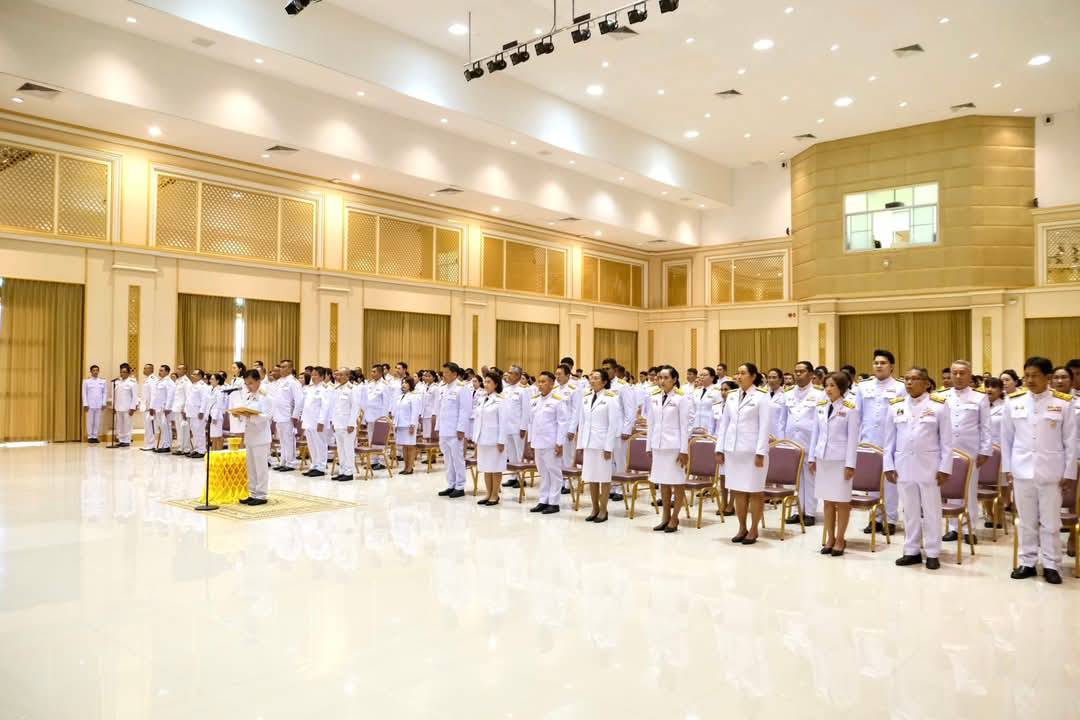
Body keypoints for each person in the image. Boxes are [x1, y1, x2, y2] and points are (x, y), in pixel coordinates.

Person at [1002, 356, 1076, 585]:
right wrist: (1007, 468)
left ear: (1048, 377)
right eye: (1027, 375)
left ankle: (1052, 564)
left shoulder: (1063, 403)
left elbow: (1071, 441)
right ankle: (1028, 562)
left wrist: (1069, 473)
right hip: (1021, 470)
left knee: (1051, 522)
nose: (1030, 380)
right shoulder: (1013, 401)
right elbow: (1006, 439)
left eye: (1035, 375)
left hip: (1051, 471)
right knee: (1026, 520)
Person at [884, 367, 953, 571]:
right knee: (909, 510)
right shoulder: (896, 406)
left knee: (931, 511)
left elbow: (946, 441)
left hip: (929, 466)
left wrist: (945, 467)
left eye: (914, 379)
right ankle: (911, 550)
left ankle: (932, 552)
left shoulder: (939, 405)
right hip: (903, 465)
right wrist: (888, 465)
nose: (909, 382)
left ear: (926, 383)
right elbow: (889, 440)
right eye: (906, 379)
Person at [716, 363, 772, 545]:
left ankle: (754, 529)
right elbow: (724, 424)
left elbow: (765, 426)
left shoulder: (762, 396)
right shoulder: (732, 395)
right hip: (733, 451)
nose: (738, 377)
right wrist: (719, 448)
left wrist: (760, 452)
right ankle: (742, 527)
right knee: (738, 490)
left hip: (753, 452)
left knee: (755, 491)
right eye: (737, 373)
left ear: (753, 376)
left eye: (743, 373)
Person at [808, 372, 861, 556]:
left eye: (832, 385)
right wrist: (812, 457)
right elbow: (815, 434)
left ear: (842, 388)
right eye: (826, 386)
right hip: (823, 459)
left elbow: (853, 439)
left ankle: (840, 539)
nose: (828, 389)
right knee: (828, 501)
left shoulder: (850, 408)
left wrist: (850, 465)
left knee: (843, 502)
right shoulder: (821, 406)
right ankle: (830, 538)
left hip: (840, 461)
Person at [938, 360, 991, 544]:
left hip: (970, 452)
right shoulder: (941, 397)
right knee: (950, 489)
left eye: (962, 373)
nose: (958, 377)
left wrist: (985, 450)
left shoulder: (979, 398)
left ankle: (970, 529)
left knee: (969, 490)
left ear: (969, 375)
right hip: (946, 451)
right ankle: (954, 528)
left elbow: (985, 426)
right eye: (955, 373)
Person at [855, 349, 906, 535]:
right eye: (876, 363)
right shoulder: (863, 387)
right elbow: (857, 416)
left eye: (883, 363)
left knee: (890, 482)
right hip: (868, 440)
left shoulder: (900, 387)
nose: (878, 366)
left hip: (891, 442)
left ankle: (890, 520)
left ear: (891, 367)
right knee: (872, 483)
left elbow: (903, 416)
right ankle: (875, 519)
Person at [779, 360, 827, 526]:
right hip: (792, 442)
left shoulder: (820, 394)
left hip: (810, 442)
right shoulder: (787, 394)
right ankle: (796, 510)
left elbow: (822, 421)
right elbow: (782, 420)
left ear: (811, 374)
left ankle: (810, 513)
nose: (798, 374)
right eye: (796, 371)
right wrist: (782, 442)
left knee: (810, 478)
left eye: (802, 371)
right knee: (796, 479)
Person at [648, 366, 690, 533]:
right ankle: (665, 517)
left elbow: (684, 426)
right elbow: (651, 424)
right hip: (658, 446)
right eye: (660, 378)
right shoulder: (654, 397)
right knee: (663, 483)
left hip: (674, 447)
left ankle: (675, 517)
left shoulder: (681, 398)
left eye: (666, 378)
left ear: (674, 380)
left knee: (677, 483)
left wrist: (684, 450)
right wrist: (649, 446)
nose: (662, 381)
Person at [579, 369, 621, 523]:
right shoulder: (586, 397)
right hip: (589, 443)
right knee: (592, 477)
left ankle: (603, 509)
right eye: (591, 377)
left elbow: (613, 424)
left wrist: (608, 447)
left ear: (604, 382)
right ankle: (594, 508)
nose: (592, 380)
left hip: (602, 444)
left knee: (604, 478)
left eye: (596, 378)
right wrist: (580, 444)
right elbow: (582, 422)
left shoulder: (611, 398)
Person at [527, 371, 568, 514]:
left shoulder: (558, 400)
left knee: (554, 472)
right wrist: (530, 441)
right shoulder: (534, 400)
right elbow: (531, 422)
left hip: (551, 443)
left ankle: (554, 503)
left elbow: (562, 423)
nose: (540, 384)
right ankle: (543, 500)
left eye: (544, 382)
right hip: (538, 442)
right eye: (539, 381)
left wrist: (560, 443)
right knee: (543, 473)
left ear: (552, 384)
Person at [231, 369, 273, 506]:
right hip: (250, 436)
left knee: (261, 467)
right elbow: (246, 413)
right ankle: (252, 493)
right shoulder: (249, 396)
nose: (248, 386)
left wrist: (251, 415)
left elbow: (267, 416)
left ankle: (261, 495)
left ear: (258, 381)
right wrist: (239, 414)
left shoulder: (265, 396)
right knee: (251, 467)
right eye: (246, 383)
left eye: (251, 383)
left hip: (261, 437)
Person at [471, 370, 511, 505]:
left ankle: (495, 495)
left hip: (495, 440)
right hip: (483, 439)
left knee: (495, 468)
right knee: (486, 467)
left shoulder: (501, 400)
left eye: (489, 382)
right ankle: (488, 494)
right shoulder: (482, 398)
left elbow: (504, 422)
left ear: (496, 384)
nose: (485, 384)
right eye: (485, 381)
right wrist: (476, 438)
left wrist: (501, 441)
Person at [437, 363, 473, 498]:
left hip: (455, 431)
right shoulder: (444, 388)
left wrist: (461, 429)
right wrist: (438, 427)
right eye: (443, 372)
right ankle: (451, 484)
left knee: (457, 459)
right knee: (447, 459)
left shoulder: (462, 388)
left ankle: (460, 486)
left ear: (454, 374)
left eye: (446, 372)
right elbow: (441, 410)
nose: (444, 375)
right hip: (444, 430)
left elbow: (465, 410)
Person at [322, 367, 362, 481]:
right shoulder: (336, 388)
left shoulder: (353, 388)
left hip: (347, 424)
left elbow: (355, 407)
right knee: (340, 449)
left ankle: (349, 472)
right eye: (337, 375)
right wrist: (333, 422)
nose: (337, 377)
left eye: (341, 375)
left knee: (348, 449)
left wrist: (351, 423)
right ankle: (342, 471)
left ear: (347, 376)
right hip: (338, 423)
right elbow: (334, 407)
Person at [269, 360, 304, 472]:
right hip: (278, 415)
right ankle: (283, 461)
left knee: (289, 439)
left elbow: (299, 400)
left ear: (290, 368)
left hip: (288, 415)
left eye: (284, 367)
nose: (281, 369)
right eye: (281, 367)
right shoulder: (279, 381)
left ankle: (291, 463)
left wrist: (295, 415)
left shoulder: (294, 382)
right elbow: (276, 399)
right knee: (282, 440)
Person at [501, 365, 530, 489]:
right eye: (508, 372)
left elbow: (526, 410)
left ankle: (521, 478)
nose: (508, 374)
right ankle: (513, 477)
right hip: (507, 427)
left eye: (511, 373)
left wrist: (523, 427)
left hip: (518, 428)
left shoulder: (523, 390)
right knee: (511, 453)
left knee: (519, 454)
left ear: (518, 375)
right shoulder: (506, 389)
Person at [301, 367, 330, 477]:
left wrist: (321, 421)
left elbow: (325, 407)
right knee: (312, 445)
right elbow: (306, 405)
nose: (313, 377)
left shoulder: (325, 389)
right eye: (312, 375)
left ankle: (321, 467)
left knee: (320, 444)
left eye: (316, 375)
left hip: (318, 421)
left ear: (322, 377)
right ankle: (314, 465)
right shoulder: (309, 388)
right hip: (308, 421)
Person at [394, 375, 422, 475]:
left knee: (410, 446)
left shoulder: (414, 396)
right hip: (401, 425)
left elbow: (415, 412)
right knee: (404, 446)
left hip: (409, 425)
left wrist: (412, 424)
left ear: (410, 384)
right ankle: (405, 467)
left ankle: (410, 468)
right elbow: (397, 412)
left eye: (406, 383)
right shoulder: (400, 397)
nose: (403, 384)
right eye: (402, 382)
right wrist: (395, 424)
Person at [688, 367, 721, 436]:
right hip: (695, 428)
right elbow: (692, 411)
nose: (702, 377)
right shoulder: (696, 391)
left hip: (709, 428)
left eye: (705, 375)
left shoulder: (717, 391)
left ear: (712, 377)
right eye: (701, 375)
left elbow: (718, 413)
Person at [150, 365, 176, 453]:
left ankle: (167, 445)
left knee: (166, 426)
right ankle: (163, 444)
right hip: (158, 408)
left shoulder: (169, 382)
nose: (159, 372)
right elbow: (156, 395)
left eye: (161, 370)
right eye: (159, 370)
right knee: (162, 427)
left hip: (165, 408)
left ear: (167, 372)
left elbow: (171, 395)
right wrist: (153, 407)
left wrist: (168, 407)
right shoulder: (160, 381)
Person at [184, 369, 209, 459]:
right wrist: (185, 410)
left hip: (198, 413)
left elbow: (204, 400)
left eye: (194, 374)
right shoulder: (192, 385)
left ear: (200, 376)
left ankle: (202, 450)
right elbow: (189, 399)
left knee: (200, 432)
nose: (192, 375)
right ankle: (196, 449)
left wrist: (202, 411)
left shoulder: (203, 386)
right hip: (191, 412)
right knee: (194, 432)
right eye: (192, 374)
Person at [113, 363, 138, 447]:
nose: (122, 374)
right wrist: (114, 406)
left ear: (128, 373)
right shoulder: (117, 382)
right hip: (118, 407)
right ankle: (121, 440)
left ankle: (127, 440)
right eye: (121, 372)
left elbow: (134, 396)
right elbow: (115, 395)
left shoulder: (132, 382)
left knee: (127, 425)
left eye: (124, 372)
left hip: (127, 408)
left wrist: (132, 408)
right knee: (119, 425)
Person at [81, 365, 108, 444]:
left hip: (99, 404)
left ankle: (95, 436)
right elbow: (84, 393)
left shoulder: (103, 381)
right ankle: (90, 437)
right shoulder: (86, 381)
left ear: (98, 371)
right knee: (90, 421)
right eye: (94, 370)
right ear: (91, 371)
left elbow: (105, 392)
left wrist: (104, 403)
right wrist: (85, 404)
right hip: (90, 404)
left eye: (97, 370)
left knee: (97, 421)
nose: (95, 372)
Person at [171, 365, 192, 455]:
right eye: (177, 369)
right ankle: (180, 447)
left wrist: (185, 409)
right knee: (179, 429)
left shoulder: (186, 382)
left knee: (185, 429)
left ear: (185, 370)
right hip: (177, 408)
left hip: (182, 409)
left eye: (180, 369)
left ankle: (186, 448)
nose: (178, 370)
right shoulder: (178, 380)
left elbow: (188, 397)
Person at [205, 371, 227, 451]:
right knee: (213, 436)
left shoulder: (220, 390)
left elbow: (219, 404)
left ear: (217, 381)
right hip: (211, 415)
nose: (210, 381)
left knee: (217, 436)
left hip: (216, 416)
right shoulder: (211, 389)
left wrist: (214, 417)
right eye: (210, 379)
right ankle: (213, 452)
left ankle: (218, 452)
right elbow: (208, 403)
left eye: (212, 379)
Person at [139, 363, 157, 451]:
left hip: (150, 408)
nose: (144, 370)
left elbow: (154, 394)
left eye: (146, 368)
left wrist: (152, 407)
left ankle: (151, 444)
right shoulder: (147, 379)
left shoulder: (152, 379)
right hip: (146, 407)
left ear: (151, 370)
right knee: (147, 427)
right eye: (144, 368)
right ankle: (148, 443)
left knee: (150, 427)